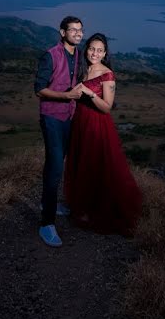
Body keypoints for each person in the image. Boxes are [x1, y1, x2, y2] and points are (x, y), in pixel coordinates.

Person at [64, 33, 142, 236]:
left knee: (96, 164)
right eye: (92, 49)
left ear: (105, 53)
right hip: (80, 121)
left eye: (99, 50)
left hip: (97, 124)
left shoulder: (107, 75)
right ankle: (81, 205)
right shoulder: (84, 69)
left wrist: (90, 94)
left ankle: (97, 209)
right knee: (80, 161)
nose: (95, 53)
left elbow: (107, 107)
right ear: (86, 49)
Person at [34, 16, 85, 247]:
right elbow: (40, 89)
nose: (77, 33)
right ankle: (46, 224)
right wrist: (66, 96)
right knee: (55, 166)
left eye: (80, 30)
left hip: (70, 117)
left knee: (59, 162)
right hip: (52, 117)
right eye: (72, 30)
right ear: (62, 32)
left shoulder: (78, 55)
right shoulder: (51, 55)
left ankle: (49, 203)